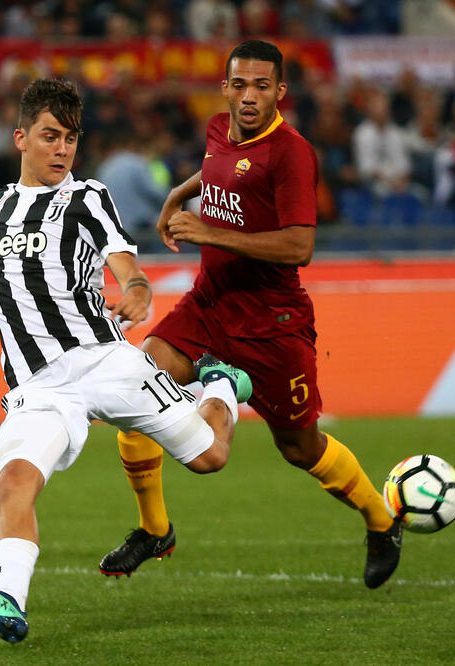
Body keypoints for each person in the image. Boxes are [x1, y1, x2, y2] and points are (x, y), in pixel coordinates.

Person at [0, 78, 253, 643]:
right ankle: (9, 604)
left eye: (70, 138)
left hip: (103, 362)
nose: (62, 149)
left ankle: (219, 385)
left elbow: (123, 261)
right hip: (37, 387)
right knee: (15, 483)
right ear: (21, 138)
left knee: (210, 457)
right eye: (50, 136)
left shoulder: (87, 198)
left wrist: (137, 287)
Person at [101, 40, 403, 590]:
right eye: (239, 85)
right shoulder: (218, 128)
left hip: (272, 322)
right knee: (137, 388)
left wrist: (209, 232)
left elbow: (299, 246)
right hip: (210, 303)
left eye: (261, 86)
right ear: (224, 88)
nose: (248, 96)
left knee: (299, 447)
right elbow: (219, 172)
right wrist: (177, 195)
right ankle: (155, 528)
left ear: (279, 91)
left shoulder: (292, 154)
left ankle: (380, 521)